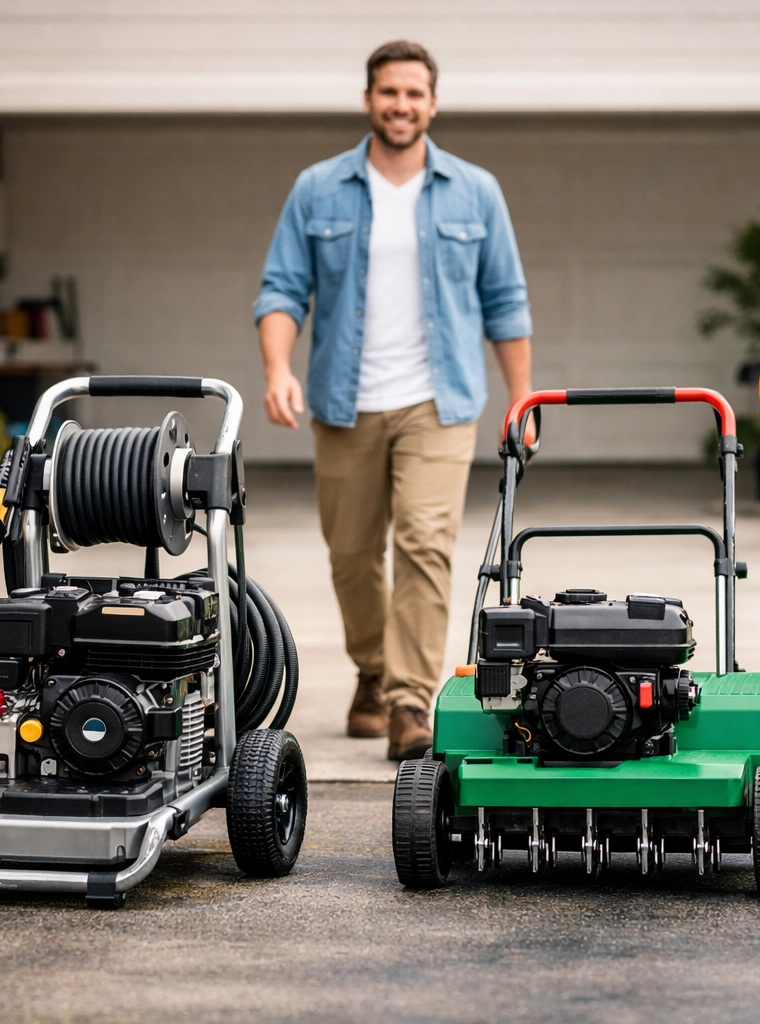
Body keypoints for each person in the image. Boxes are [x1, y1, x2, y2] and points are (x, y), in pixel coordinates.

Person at [253, 40, 534, 761]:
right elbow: (282, 288)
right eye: (389, 92)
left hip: (439, 402)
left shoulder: (476, 190)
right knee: (351, 554)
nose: (401, 105)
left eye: (414, 94)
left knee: (424, 545)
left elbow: (505, 300)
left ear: (432, 104)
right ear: (368, 99)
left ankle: (409, 700)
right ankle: (373, 672)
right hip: (344, 403)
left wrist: (522, 398)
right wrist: (278, 368)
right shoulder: (318, 187)